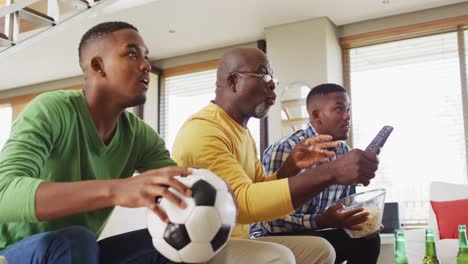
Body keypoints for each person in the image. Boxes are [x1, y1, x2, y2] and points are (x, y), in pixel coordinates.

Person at [0, 21, 195, 263]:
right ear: (98, 65)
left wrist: (213, 195)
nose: (146, 65)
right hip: (10, 251)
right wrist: (116, 190)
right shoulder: (52, 109)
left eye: (146, 57)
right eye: (132, 54)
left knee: (173, 240)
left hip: (79, 253)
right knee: (75, 240)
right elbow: (4, 192)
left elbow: (179, 189)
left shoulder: (140, 136)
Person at [172, 47, 380, 264]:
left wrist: (290, 168)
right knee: (281, 257)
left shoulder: (241, 133)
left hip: (233, 242)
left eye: (272, 77)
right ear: (233, 81)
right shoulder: (205, 129)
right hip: (203, 248)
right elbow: (242, 203)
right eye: (263, 74)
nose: (272, 83)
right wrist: (332, 172)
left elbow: (261, 186)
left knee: (322, 249)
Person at [250, 83, 381, 264]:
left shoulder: (345, 153)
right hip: (272, 235)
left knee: (368, 240)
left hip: (321, 231)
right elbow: (269, 221)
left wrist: (362, 221)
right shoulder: (285, 149)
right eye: (339, 109)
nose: (347, 116)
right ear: (316, 115)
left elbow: (347, 205)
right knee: (323, 243)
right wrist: (321, 221)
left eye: (348, 109)